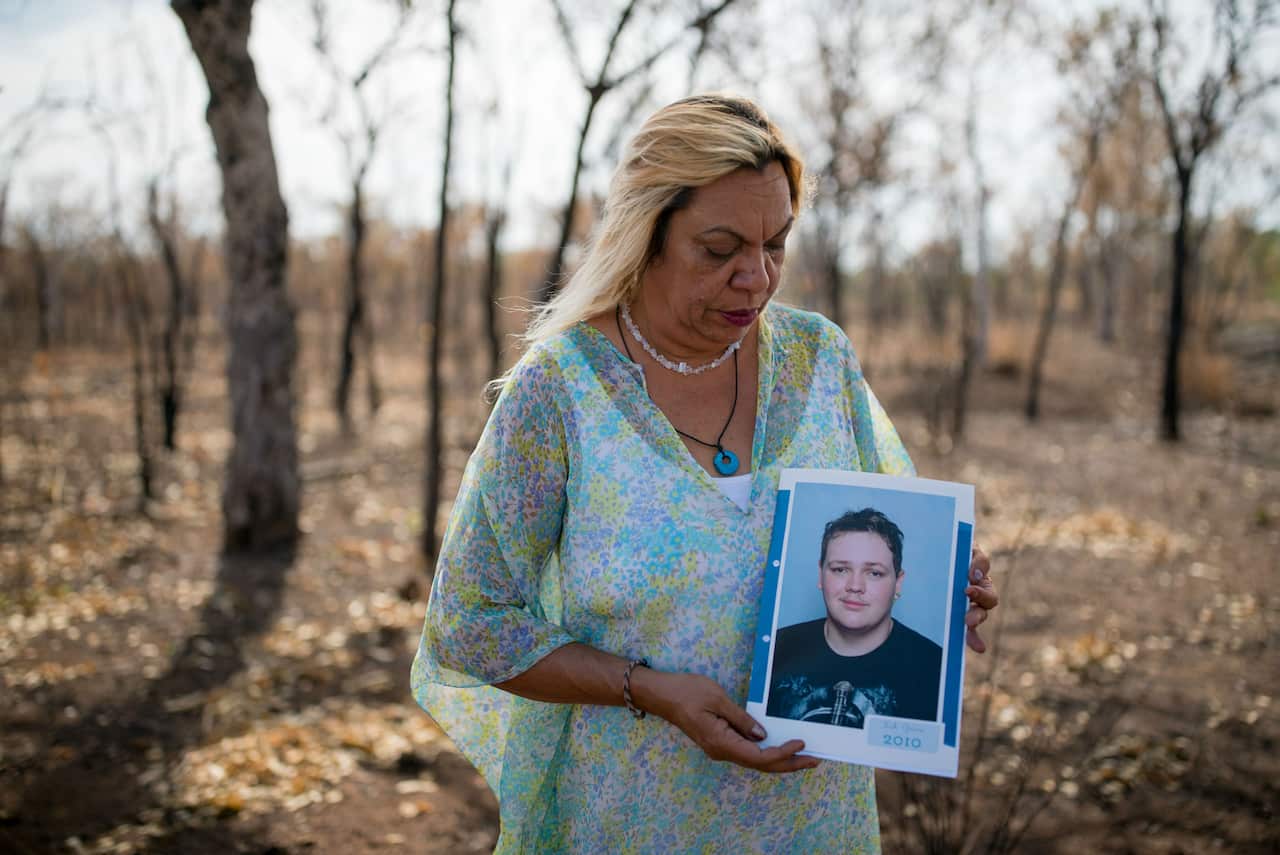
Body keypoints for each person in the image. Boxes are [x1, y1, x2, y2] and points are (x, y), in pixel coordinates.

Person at [411, 94, 999, 853]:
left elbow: (899, 539)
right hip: (631, 821)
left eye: (776, 244)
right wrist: (647, 690)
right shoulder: (560, 392)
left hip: (814, 822)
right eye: (719, 250)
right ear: (644, 237)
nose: (755, 278)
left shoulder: (819, 362)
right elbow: (471, 621)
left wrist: (948, 587)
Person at [766, 508, 942, 728]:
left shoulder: (935, 668)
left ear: (898, 582)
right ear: (821, 575)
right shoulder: (775, 649)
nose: (855, 587)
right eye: (840, 569)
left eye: (874, 573)